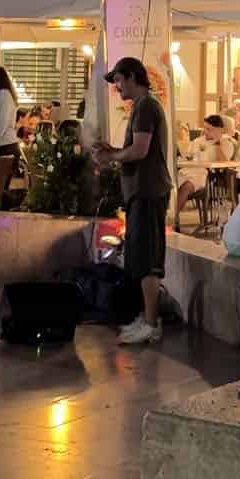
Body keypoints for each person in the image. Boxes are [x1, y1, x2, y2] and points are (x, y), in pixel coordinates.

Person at [93, 58, 172, 347]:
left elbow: (139, 150)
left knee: (147, 260)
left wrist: (111, 156)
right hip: (141, 192)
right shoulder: (142, 107)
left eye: (118, 80)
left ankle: (151, 324)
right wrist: (113, 152)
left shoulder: (146, 107)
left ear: (131, 77)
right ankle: (147, 316)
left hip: (148, 191)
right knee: (139, 257)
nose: (116, 86)